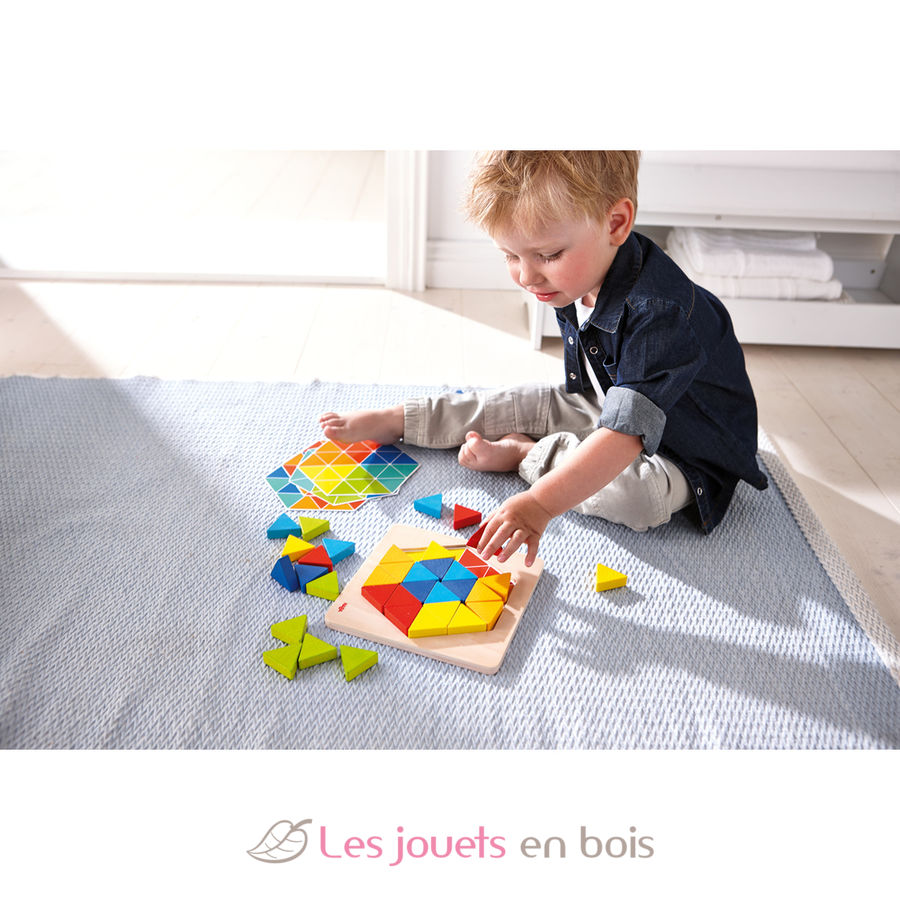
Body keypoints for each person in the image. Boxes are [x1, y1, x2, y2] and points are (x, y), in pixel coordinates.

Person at [320, 151, 767, 567]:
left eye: (548, 255)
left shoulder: (660, 314)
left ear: (616, 223)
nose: (526, 275)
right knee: (523, 401)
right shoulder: (579, 271)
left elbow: (624, 436)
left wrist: (538, 504)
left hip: (685, 455)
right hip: (607, 401)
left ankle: (526, 453)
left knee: (638, 498)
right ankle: (404, 420)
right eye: (510, 255)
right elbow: (592, 400)